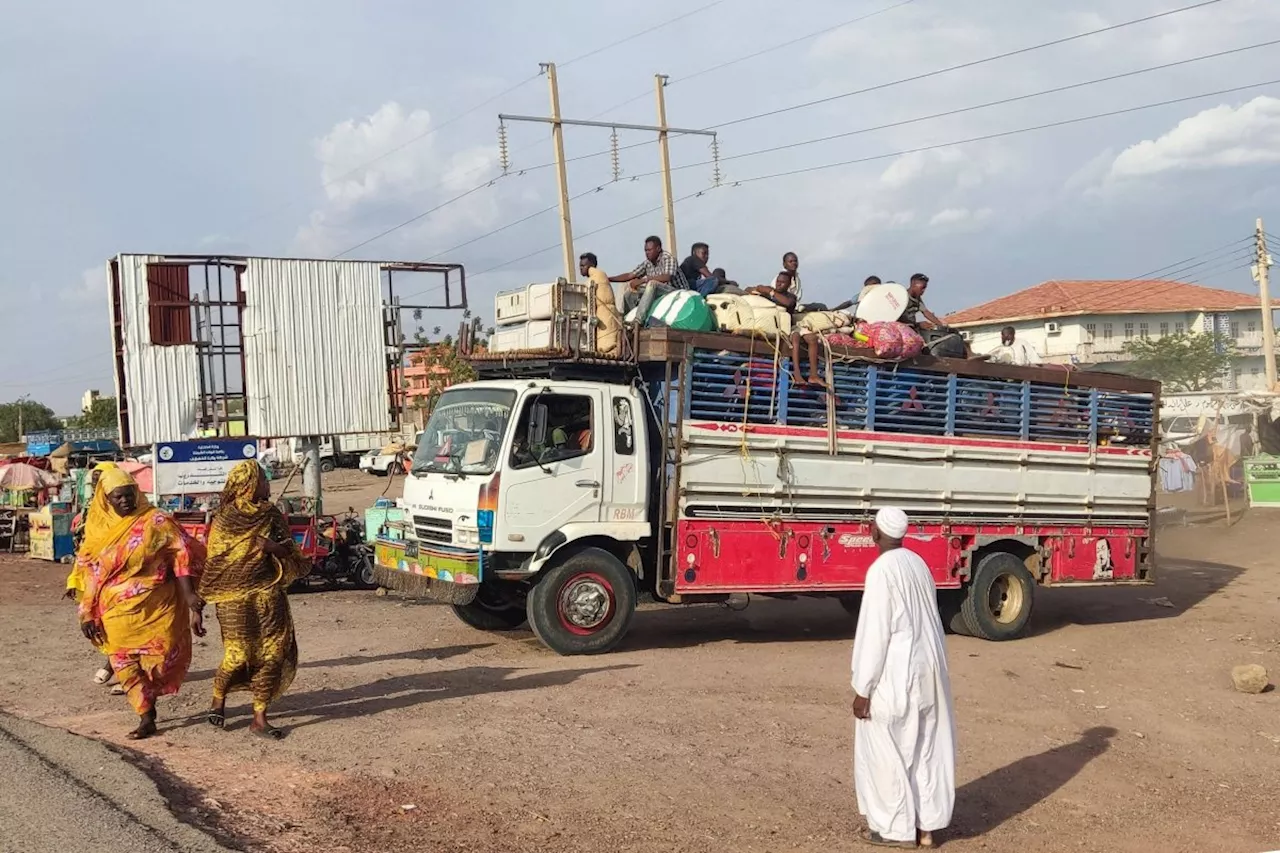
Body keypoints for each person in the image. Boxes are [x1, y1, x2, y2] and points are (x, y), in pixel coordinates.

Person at [74, 467, 206, 740]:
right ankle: (146, 715)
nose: (125, 501)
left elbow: (181, 554)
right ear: (105, 499)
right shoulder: (98, 529)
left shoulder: (156, 521)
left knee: (162, 659)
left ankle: (151, 695)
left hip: (158, 606)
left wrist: (190, 596)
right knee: (123, 663)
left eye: (129, 494)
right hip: (115, 612)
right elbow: (91, 573)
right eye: (117, 497)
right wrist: (87, 612)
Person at [851, 507, 955, 849]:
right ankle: (926, 829)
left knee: (887, 750)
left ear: (875, 532)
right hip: (928, 672)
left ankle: (894, 829)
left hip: (896, 675)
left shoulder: (881, 570)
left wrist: (863, 688)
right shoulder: (917, 564)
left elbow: (876, 632)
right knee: (924, 749)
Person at [201, 460, 311, 740]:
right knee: (238, 655)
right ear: (249, 484)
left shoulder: (271, 514)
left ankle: (260, 717)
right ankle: (218, 698)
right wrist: (197, 607)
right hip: (233, 599)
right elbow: (215, 564)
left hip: (268, 594)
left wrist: (276, 549)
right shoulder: (224, 520)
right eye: (263, 479)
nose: (267, 483)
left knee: (272, 654)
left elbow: (292, 553)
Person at [67, 462, 128, 695]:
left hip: (123, 581)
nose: (97, 485)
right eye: (95, 481)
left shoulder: (128, 509)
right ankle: (117, 664)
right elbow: (87, 547)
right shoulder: (93, 509)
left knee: (122, 627)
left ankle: (120, 670)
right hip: (95, 578)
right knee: (100, 625)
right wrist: (74, 578)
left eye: (102, 480)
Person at [609, 235, 689, 320]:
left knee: (652, 284)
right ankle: (628, 320)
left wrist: (644, 280)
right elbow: (630, 275)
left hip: (678, 293)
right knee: (629, 295)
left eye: (649, 250)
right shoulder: (647, 263)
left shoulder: (668, 258)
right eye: (645, 250)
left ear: (658, 249)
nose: (647, 253)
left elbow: (666, 277)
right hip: (661, 293)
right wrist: (608, 279)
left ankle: (638, 320)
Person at [579, 252, 622, 357]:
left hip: (605, 313)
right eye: (580, 266)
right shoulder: (599, 276)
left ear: (591, 266)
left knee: (606, 344)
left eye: (584, 266)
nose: (581, 268)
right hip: (604, 312)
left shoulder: (597, 276)